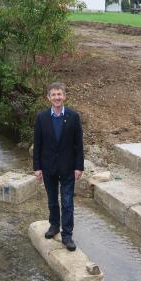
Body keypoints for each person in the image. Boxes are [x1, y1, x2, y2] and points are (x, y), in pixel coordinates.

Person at [33, 82, 84, 252]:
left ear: (64, 96)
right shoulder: (41, 118)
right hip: (48, 167)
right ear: (48, 97)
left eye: (59, 94)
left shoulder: (73, 116)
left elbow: (78, 144)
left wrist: (79, 167)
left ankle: (67, 234)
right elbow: (37, 145)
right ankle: (54, 225)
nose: (57, 97)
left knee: (67, 202)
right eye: (53, 94)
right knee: (52, 200)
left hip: (68, 167)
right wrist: (37, 168)